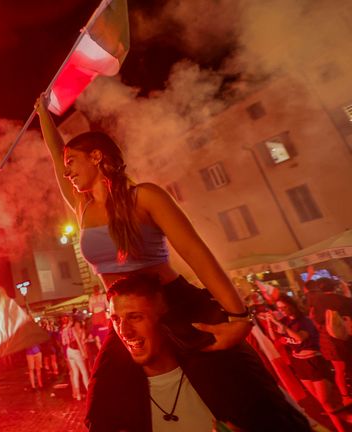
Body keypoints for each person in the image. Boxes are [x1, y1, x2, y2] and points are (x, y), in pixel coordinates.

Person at [36, 95, 264, 430]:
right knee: (108, 406)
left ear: (97, 157)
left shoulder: (145, 196)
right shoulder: (82, 208)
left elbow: (196, 252)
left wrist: (239, 316)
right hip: (125, 318)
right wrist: (43, 111)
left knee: (237, 396)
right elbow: (56, 156)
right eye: (66, 164)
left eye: (74, 161)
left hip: (175, 305)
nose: (67, 170)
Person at [108, 274, 311, 431]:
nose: (124, 331)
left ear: (164, 319)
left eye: (135, 317)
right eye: (116, 320)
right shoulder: (117, 398)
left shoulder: (224, 376)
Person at [264, 294, 351, 432]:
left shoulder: (304, 321)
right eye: (280, 308)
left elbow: (300, 337)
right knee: (323, 403)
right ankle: (340, 428)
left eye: (285, 307)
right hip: (299, 364)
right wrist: (270, 322)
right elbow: (274, 337)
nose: (283, 310)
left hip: (314, 362)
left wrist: (280, 325)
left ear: (292, 305)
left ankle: (347, 419)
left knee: (325, 400)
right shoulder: (286, 322)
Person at [305, 277, 352, 405]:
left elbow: (313, 319)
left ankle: (345, 397)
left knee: (339, 370)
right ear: (334, 287)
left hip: (327, 340)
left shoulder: (315, 302)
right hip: (346, 339)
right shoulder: (342, 300)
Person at [61, 315, 89, 400]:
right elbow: (78, 342)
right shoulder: (72, 330)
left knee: (75, 373)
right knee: (84, 372)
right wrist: (83, 352)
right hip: (75, 351)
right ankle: (89, 391)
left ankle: (78, 395)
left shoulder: (64, 330)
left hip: (69, 351)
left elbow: (63, 342)